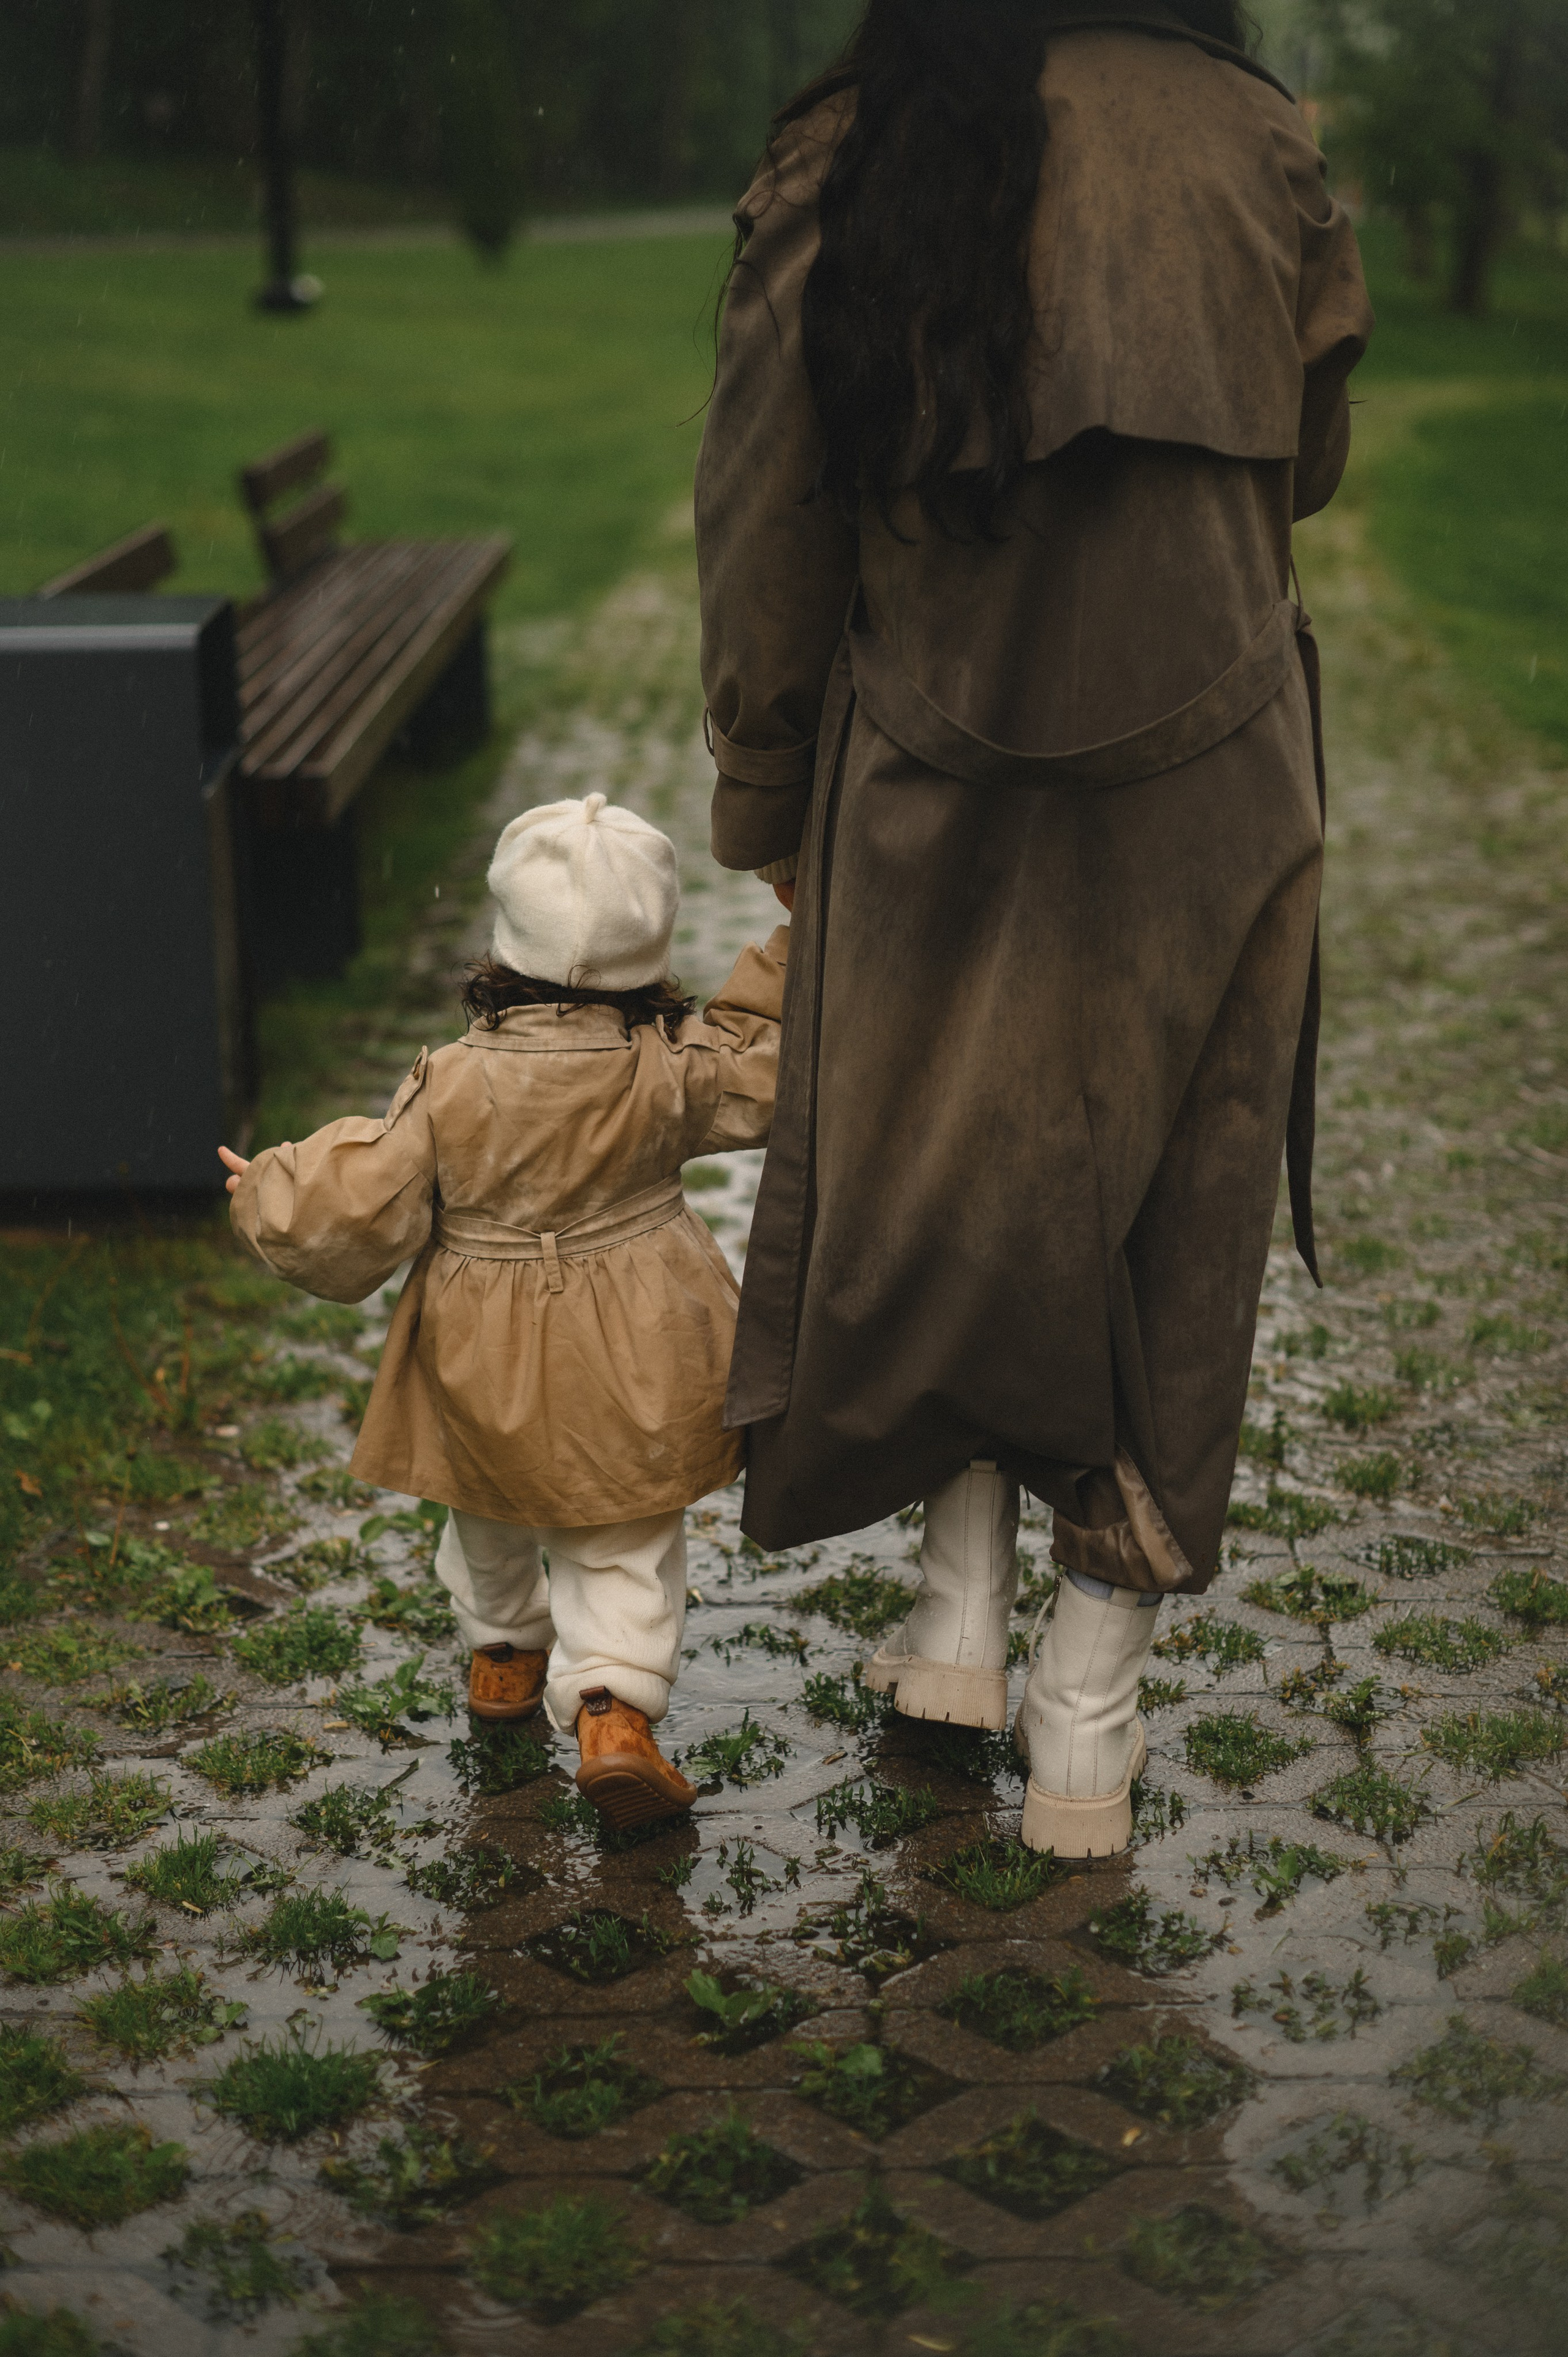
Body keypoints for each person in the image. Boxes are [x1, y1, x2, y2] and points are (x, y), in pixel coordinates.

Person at [695, 0, 1373, 1857]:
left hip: (931, 763)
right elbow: (1304, 465)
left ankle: (955, 1629)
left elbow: (769, 514)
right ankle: (1087, 1706)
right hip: (1217, 771)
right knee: (1178, 1203)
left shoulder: (851, 141)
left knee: (954, 1182)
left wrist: (766, 793)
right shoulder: (1262, 136)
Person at [219, 794, 788, 1830]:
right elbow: (768, 1064)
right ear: (650, 948)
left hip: (480, 1340)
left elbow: (367, 1199)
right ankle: (612, 1713)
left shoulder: (452, 1081)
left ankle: (502, 1654)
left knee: (483, 1496)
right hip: (639, 1339)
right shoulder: (667, 1068)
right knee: (620, 1533)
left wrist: (269, 1190)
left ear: (504, 943)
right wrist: (799, 942)